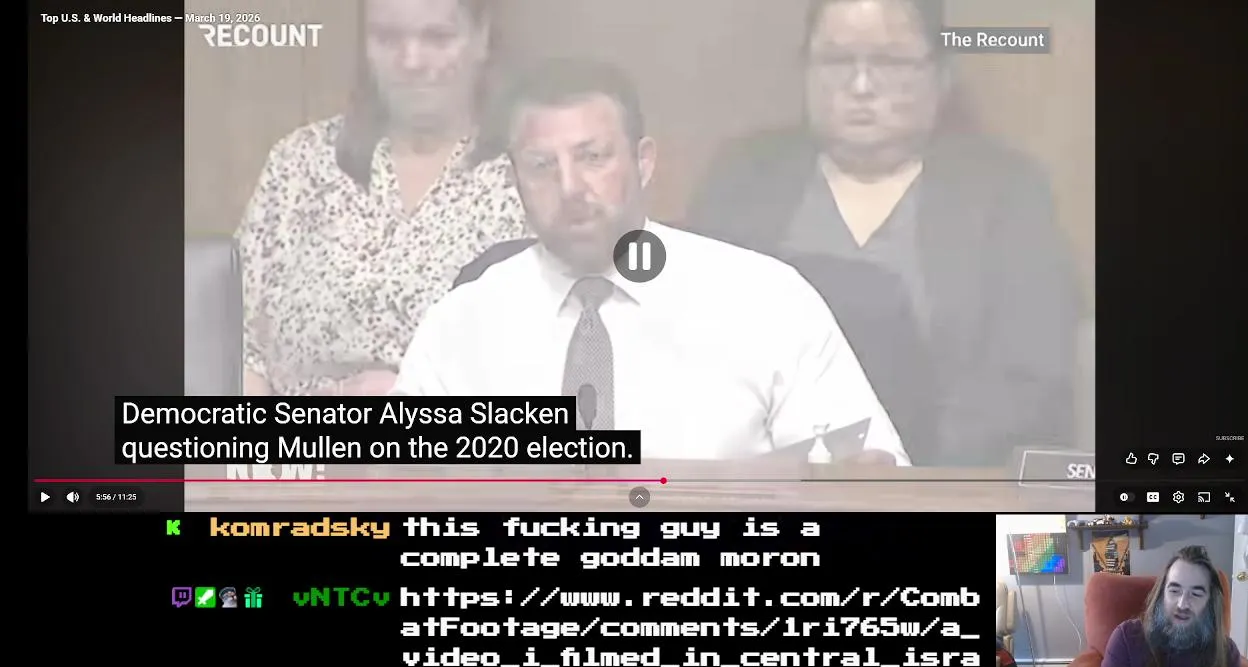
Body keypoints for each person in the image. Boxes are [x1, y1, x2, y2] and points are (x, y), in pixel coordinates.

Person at [393, 58, 909, 464]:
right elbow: (395, 494)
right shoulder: (461, 326)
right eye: (541, 165)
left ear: (643, 162)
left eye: (593, 157)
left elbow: (870, 477)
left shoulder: (767, 301)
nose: (569, 187)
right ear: (514, 179)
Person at [685, 0, 1080, 465]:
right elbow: (691, 344)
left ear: (941, 76)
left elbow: (1030, 376)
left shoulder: (1007, 194)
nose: (861, 86)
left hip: (943, 478)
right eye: (836, 61)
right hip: (768, 478)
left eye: (890, 61)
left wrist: (899, 460)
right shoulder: (742, 180)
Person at [237, 0, 527, 397]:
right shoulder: (301, 162)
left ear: (481, 38)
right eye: (388, 38)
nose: (410, 61)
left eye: (437, 37)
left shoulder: (528, 174)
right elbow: (240, 348)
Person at [1087, 546, 1242, 667]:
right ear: (1161, 594)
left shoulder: (1226, 653)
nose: (1182, 604)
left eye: (1196, 594)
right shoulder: (1126, 637)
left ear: (1210, 602)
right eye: (1174, 591)